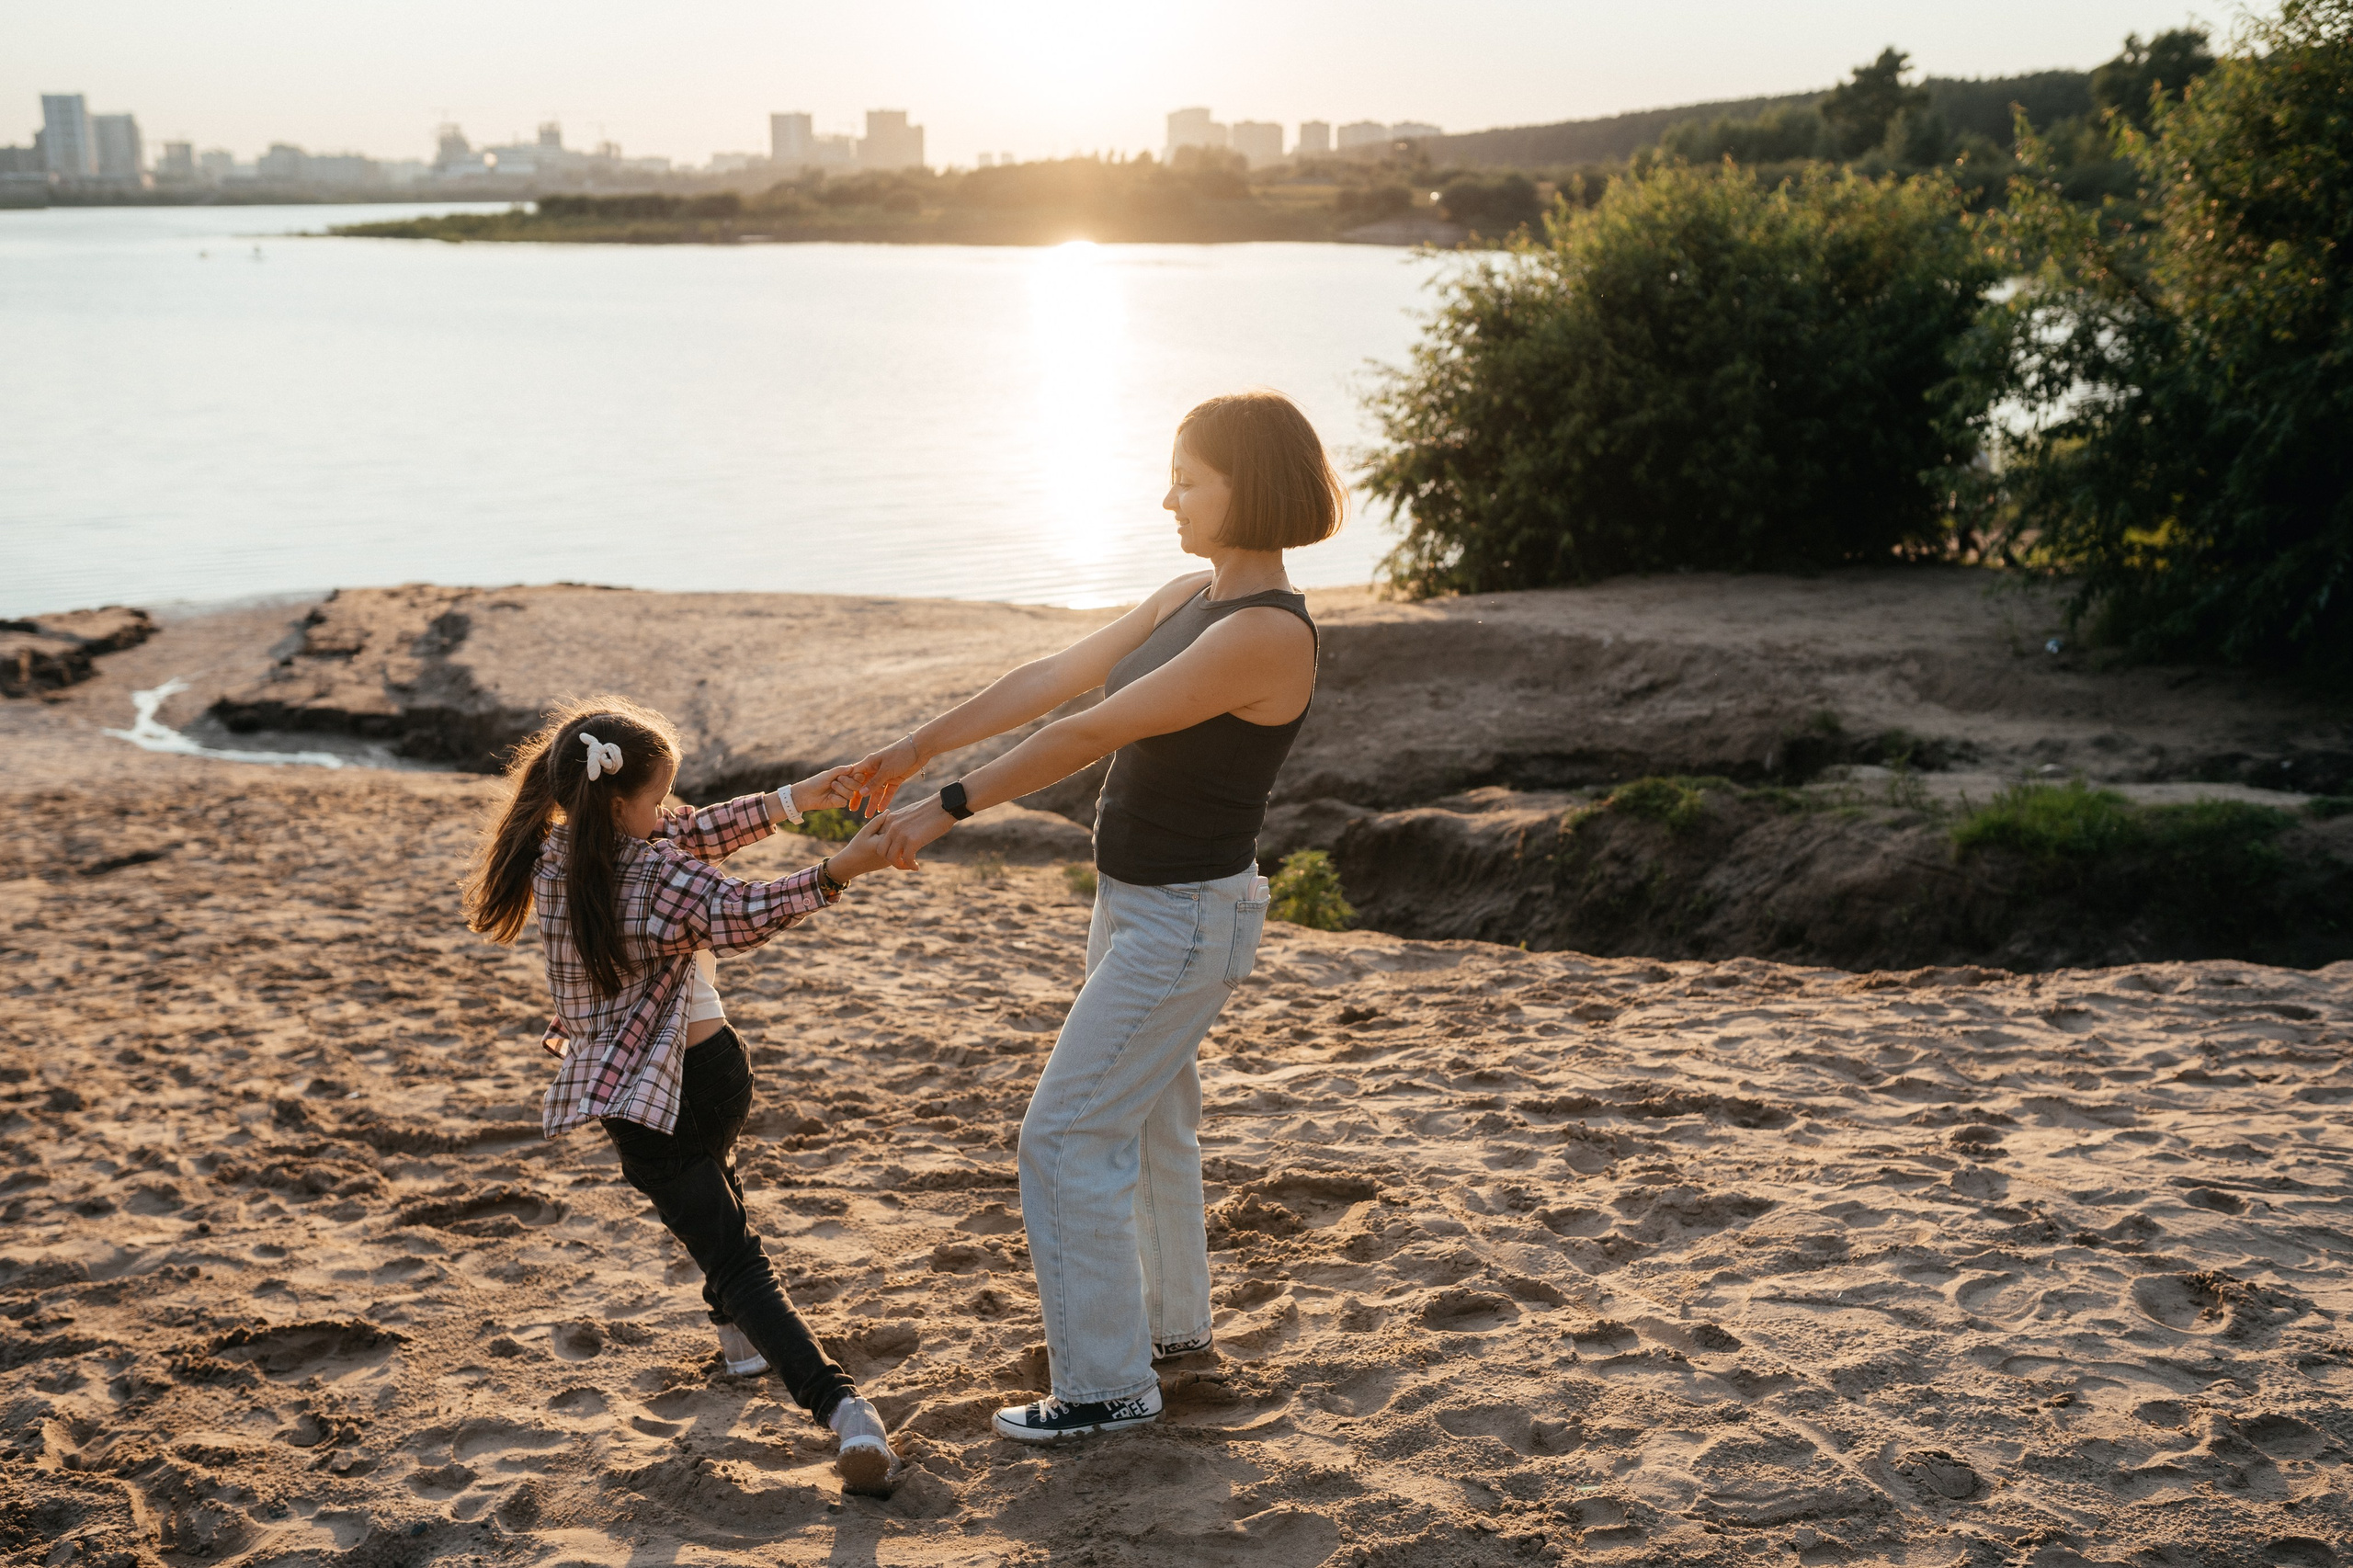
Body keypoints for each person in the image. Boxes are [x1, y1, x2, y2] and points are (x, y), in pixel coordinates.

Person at [852, 390, 1339, 1442]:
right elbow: (1057, 675)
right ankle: (1170, 1334)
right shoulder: (1188, 595)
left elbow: (1091, 728)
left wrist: (943, 810)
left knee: (1063, 1134)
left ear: (1243, 485)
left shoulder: (1264, 634)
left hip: (1185, 924)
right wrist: (916, 746)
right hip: (1136, 909)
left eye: (1187, 478)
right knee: (1155, 1125)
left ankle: (1107, 1384)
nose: (1166, 497)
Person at [461, 695, 903, 1493]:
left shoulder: (553, 856)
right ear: (623, 803)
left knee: (732, 1254)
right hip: (713, 1075)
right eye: (659, 797)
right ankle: (741, 1348)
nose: (670, 811)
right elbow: (740, 912)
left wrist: (804, 797)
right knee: (716, 1201)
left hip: (643, 1097)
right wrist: (840, 869)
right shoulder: (654, 879)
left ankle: (845, 1415)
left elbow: (698, 834)